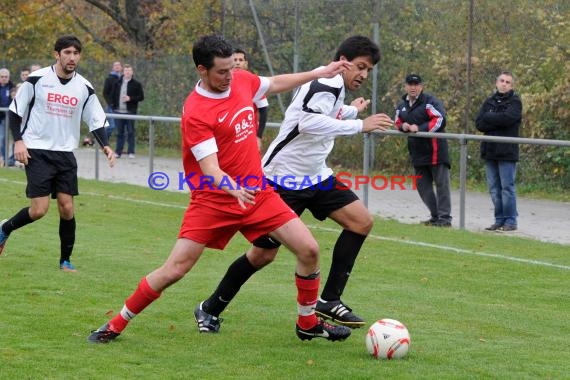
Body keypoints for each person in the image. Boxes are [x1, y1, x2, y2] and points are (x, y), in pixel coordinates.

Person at [87, 34, 353, 344]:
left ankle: (307, 323)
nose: (230, 77)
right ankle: (115, 324)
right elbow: (211, 168)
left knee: (308, 250)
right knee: (175, 269)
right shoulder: (196, 111)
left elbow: (274, 83)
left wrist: (320, 72)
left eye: (232, 69)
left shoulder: (239, 80)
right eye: (222, 72)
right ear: (202, 69)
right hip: (213, 201)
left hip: (256, 194)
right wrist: (233, 188)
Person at [193, 35, 393, 335]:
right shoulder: (326, 82)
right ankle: (209, 308)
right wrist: (358, 125)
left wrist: (350, 111)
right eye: (360, 67)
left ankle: (328, 299)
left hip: (316, 176)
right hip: (283, 179)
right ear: (342, 61)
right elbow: (307, 122)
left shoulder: (334, 85)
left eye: (369, 70)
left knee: (361, 222)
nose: (363, 75)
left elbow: (321, 114)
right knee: (262, 254)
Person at [0, 35, 116, 270]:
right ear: (57, 54)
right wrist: (18, 142)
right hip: (37, 151)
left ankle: (65, 260)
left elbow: (95, 120)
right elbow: (14, 112)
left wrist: (105, 145)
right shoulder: (37, 79)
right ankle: (4, 229)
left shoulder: (84, 87)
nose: (72, 58)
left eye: (76, 53)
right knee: (39, 210)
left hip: (64, 153)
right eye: (67, 53)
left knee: (67, 207)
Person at [395, 74, 452, 227]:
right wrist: (403, 127)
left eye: (416, 84)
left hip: (435, 151)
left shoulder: (429, 102)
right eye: (410, 84)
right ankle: (435, 216)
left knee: (442, 185)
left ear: (421, 86)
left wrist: (419, 128)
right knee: (422, 186)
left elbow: (440, 119)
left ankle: (445, 218)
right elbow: (397, 120)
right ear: (405, 86)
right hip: (417, 153)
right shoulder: (402, 105)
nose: (413, 87)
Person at [475, 71, 522, 232]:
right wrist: (495, 119)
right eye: (502, 80)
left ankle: (511, 221)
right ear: (496, 83)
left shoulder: (515, 102)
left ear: (511, 85)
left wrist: (490, 117)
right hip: (490, 151)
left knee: (507, 188)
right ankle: (499, 219)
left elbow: (509, 119)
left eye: (508, 82)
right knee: (494, 188)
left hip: (507, 152)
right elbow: (479, 124)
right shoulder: (489, 102)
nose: (504, 84)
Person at [233, 48, 269, 151]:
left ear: (246, 63)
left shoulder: (253, 82)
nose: (237, 63)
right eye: (235, 60)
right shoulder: (224, 83)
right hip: (230, 135)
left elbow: (264, 111)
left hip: (247, 134)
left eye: (240, 60)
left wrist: (258, 136)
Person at [111, 64, 144, 158]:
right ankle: (118, 152)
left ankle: (131, 152)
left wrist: (130, 98)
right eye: (126, 70)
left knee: (130, 132)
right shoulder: (117, 83)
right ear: (123, 72)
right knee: (119, 133)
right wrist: (113, 106)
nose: (127, 72)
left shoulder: (137, 84)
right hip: (118, 112)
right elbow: (112, 95)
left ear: (132, 72)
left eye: (129, 70)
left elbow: (141, 97)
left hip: (130, 112)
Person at [102, 61, 122, 140]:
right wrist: (110, 103)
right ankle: (103, 143)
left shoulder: (123, 79)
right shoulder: (109, 79)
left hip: (121, 107)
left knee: (120, 127)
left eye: (118, 65)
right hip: (111, 107)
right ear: (113, 68)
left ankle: (118, 149)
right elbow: (105, 93)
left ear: (121, 67)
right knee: (111, 126)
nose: (117, 67)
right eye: (115, 65)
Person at [0, 68, 15, 167]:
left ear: (9, 77)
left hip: (11, 116)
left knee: (15, 138)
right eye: (2, 77)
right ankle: (4, 159)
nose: (4, 78)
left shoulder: (12, 87)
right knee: (2, 138)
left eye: (6, 77)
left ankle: (12, 159)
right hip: (1, 117)